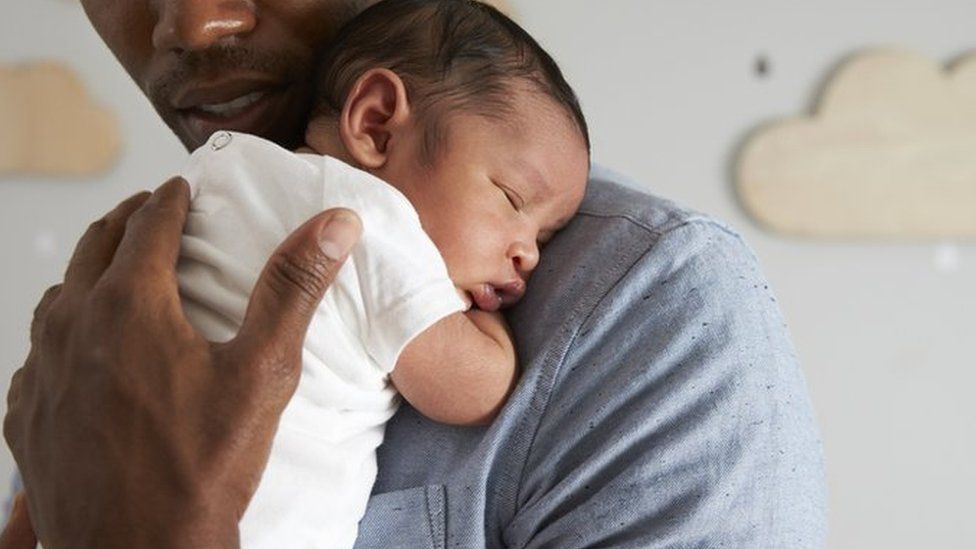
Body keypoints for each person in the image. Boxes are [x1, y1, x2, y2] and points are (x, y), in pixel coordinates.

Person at [3, 0, 829, 548]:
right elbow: (469, 381)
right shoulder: (137, 285)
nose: (192, 22)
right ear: (373, 119)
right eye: (510, 202)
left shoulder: (650, 307)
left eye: (536, 221)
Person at [175, 2, 588, 545]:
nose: (528, 255)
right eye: (512, 199)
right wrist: (484, 324)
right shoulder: (372, 221)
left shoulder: (219, 173)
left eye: (543, 239)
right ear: (377, 127)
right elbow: (476, 392)